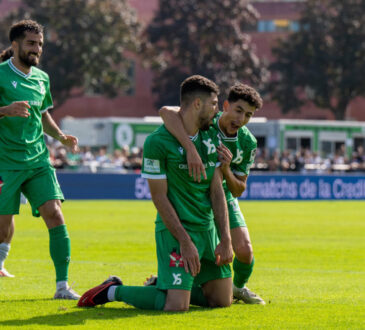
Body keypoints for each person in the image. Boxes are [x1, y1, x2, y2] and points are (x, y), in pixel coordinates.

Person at [78, 75, 233, 311]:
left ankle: (164, 285)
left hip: (207, 230)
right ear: (197, 104)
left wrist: (226, 238)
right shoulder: (157, 142)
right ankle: (112, 291)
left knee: (222, 301)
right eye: (214, 104)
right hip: (176, 232)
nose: (217, 111)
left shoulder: (211, 136)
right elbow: (159, 197)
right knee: (176, 306)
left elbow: (217, 192)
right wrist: (184, 240)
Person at [156, 83, 265, 304]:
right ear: (225, 105)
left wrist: (225, 169)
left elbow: (239, 189)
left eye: (248, 115)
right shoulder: (208, 121)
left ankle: (238, 288)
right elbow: (165, 112)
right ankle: (173, 285)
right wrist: (190, 149)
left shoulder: (248, 142)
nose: (241, 119)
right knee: (194, 250)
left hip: (223, 195)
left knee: (244, 251)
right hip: (196, 193)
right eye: (238, 110)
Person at [0, 20, 80, 299]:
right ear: (15, 45)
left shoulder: (42, 78)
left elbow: (43, 114)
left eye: (40, 44)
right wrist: (5, 110)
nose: (37, 49)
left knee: (55, 215)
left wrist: (61, 136)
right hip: (4, 163)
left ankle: (62, 286)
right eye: (31, 43)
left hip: (38, 162)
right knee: (2, 227)